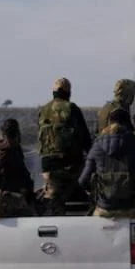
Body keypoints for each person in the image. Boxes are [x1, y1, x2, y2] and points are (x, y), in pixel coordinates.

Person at [79, 108, 135, 218]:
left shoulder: (97, 146)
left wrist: (96, 195)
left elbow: (83, 180)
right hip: (133, 210)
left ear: (109, 123)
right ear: (128, 124)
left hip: (104, 209)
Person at [37, 77, 93, 215]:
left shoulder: (43, 110)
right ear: (68, 92)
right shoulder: (71, 108)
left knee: (54, 197)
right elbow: (85, 138)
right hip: (70, 165)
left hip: (47, 166)